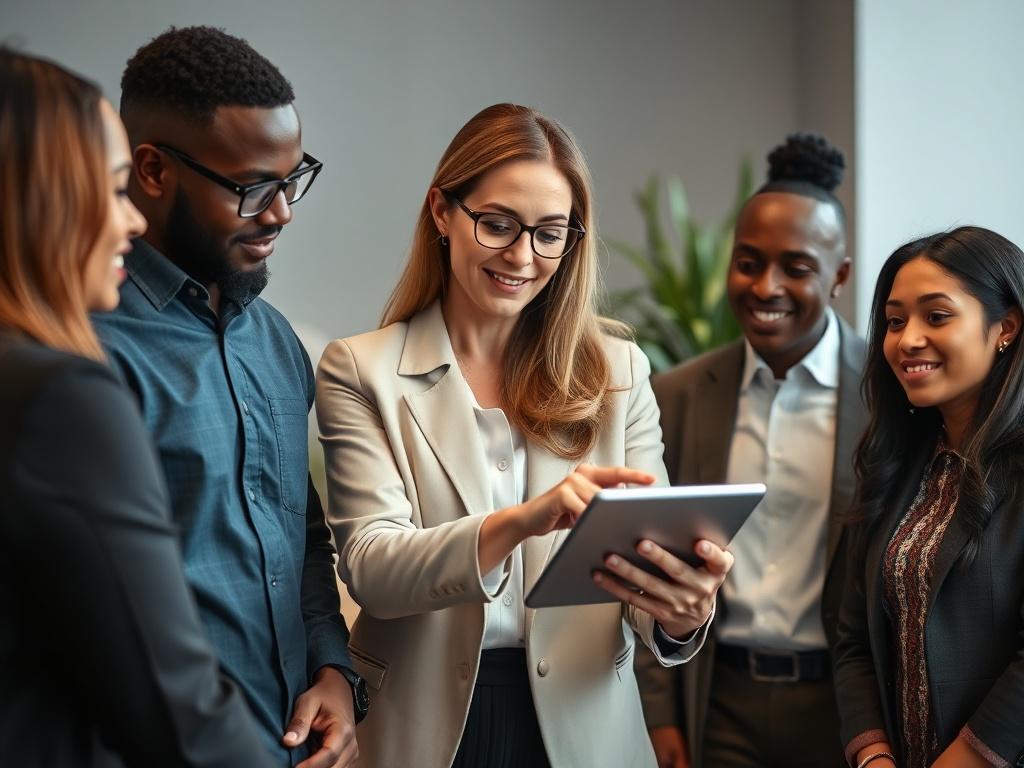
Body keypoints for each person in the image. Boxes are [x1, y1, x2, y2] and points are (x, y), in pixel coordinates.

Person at [315, 103, 733, 768]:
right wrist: (520, 522)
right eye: (498, 224)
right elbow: (373, 569)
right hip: (425, 728)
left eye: (549, 233)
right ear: (442, 213)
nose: (522, 256)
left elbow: (644, 568)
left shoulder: (617, 369)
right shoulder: (361, 368)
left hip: (586, 728)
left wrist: (680, 612)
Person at [92, 27, 363, 768]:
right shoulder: (85, 354)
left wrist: (334, 673)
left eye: (291, 178)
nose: (280, 213)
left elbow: (301, 540)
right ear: (151, 169)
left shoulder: (275, 343)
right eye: (251, 188)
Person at [0, 48, 277, 767]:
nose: (129, 221)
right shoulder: (64, 394)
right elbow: (175, 708)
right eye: (113, 188)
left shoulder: (273, 341)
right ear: (37, 200)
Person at [635, 134, 866, 768]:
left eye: (796, 267)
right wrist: (659, 713)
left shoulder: (888, 396)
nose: (765, 287)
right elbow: (646, 556)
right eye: (748, 261)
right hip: (717, 698)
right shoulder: (676, 394)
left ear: (839, 275)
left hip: (845, 710)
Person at [834, 226, 1024, 768]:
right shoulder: (894, 464)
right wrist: (873, 757)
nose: (907, 340)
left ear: (1005, 327)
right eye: (895, 322)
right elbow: (853, 637)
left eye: (936, 316)